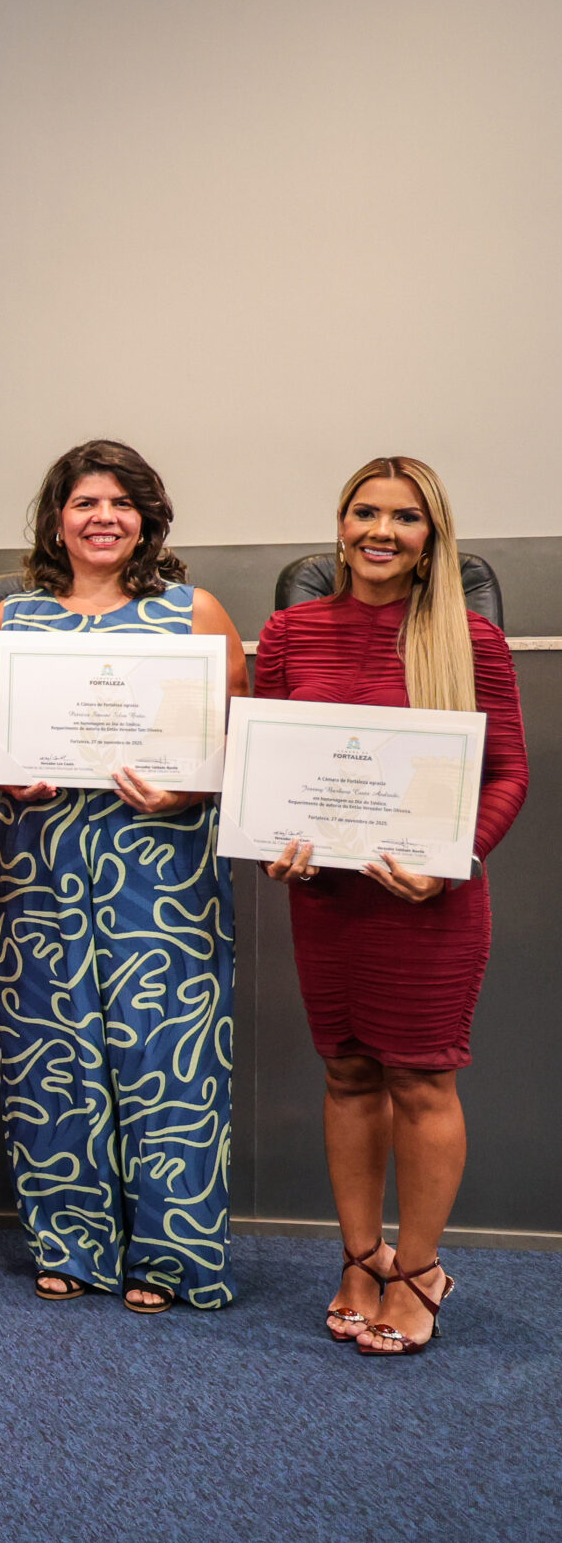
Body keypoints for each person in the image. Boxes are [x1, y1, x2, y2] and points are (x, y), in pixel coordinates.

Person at [0, 440, 249, 1312]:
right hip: (43, 871)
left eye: (121, 503)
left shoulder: (193, 612)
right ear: (57, 517)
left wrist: (189, 782)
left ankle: (170, 1257)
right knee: (53, 1057)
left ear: (147, 519)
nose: (103, 518)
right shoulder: (12, 619)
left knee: (169, 1057)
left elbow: (246, 744)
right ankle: (71, 1243)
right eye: (85, 502)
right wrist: (2, 767)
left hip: (162, 876)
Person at [256, 457, 526, 1356]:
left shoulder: (469, 639)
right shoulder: (290, 629)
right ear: (340, 526)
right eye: (364, 512)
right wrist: (276, 847)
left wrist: (454, 862)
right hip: (326, 898)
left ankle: (418, 1269)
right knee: (346, 1072)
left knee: (421, 1075)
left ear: (430, 537)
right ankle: (360, 1257)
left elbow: (507, 774)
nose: (381, 530)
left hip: (429, 903)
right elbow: (267, 769)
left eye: (404, 518)